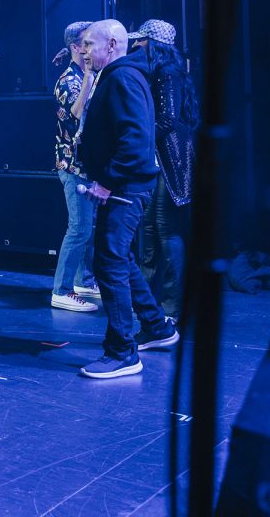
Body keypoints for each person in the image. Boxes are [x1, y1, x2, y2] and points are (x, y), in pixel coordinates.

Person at [76, 19, 179, 379]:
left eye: (89, 44)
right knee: (119, 257)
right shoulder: (120, 75)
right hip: (126, 185)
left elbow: (135, 140)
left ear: (111, 44)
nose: (83, 51)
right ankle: (156, 326)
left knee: (109, 263)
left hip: (125, 187)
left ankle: (122, 353)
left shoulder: (122, 77)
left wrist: (107, 181)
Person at [129, 19, 198, 321]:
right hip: (163, 158)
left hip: (169, 160)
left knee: (165, 229)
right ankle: (146, 300)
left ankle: (171, 306)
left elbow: (168, 119)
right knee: (149, 228)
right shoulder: (166, 71)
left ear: (153, 44)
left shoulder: (167, 72)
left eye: (141, 40)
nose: (135, 45)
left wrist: (140, 141)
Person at [50, 21, 101, 313]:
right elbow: (78, 113)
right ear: (75, 47)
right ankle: (62, 290)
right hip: (72, 165)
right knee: (79, 228)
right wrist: (90, 78)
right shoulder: (68, 80)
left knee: (86, 228)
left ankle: (83, 281)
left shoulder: (83, 75)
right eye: (87, 42)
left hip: (85, 164)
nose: (91, 46)